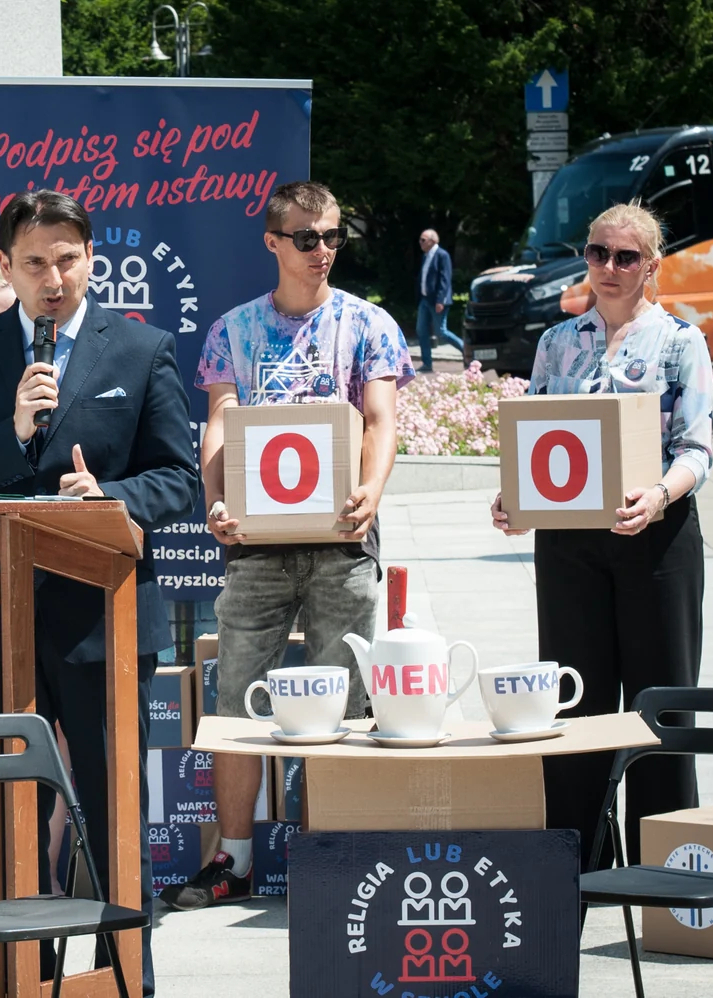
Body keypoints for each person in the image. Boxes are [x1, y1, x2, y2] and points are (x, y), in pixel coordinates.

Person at [0, 190, 200, 993]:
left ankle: (121, 979)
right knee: (14, 812)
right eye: (36, 263)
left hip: (102, 620)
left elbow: (177, 476)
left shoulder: (143, 350)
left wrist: (111, 502)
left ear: (91, 260)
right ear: (5, 266)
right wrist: (9, 433)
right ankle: (24, 977)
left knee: (112, 813)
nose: (54, 279)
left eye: (68, 261)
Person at [161, 181, 413, 910]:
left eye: (333, 236)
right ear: (272, 242)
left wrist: (373, 489)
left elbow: (380, 419)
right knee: (238, 697)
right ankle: (232, 859)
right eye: (306, 238)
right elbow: (220, 423)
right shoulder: (233, 331)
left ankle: (335, 852)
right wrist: (214, 501)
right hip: (258, 546)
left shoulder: (369, 324)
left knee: (348, 699)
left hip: (342, 537)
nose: (323, 250)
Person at [491, 200, 713, 874]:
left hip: (657, 540)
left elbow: (698, 451)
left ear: (650, 267)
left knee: (659, 707)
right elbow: (537, 439)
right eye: (597, 253)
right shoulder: (557, 342)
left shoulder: (680, 341)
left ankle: (667, 868)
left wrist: (657, 496)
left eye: (625, 257)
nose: (608, 268)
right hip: (568, 545)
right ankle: (580, 865)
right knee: (577, 703)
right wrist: (515, 498)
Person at [415, 228, 462, 372]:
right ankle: (427, 364)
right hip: (425, 299)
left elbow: (445, 279)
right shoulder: (426, 256)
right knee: (421, 330)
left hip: (437, 300)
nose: (420, 243)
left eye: (423, 240)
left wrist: (440, 300)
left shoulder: (442, 255)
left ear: (432, 241)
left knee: (442, 332)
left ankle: (468, 352)